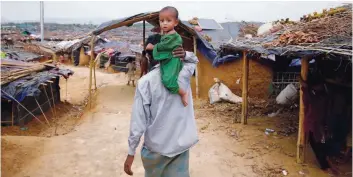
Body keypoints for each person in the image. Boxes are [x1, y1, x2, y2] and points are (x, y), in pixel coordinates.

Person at [124, 48, 199, 177]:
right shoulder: (184, 75)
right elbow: (193, 60)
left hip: (155, 149)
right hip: (179, 147)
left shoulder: (145, 82)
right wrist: (186, 54)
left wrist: (131, 152)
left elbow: (138, 121)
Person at [299, 74, 339, 175]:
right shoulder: (318, 95)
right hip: (316, 124)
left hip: (319, 124)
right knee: (317, 143)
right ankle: (325, 164)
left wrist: (304, 85)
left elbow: (307, 93)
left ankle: (325, 164)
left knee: (319, 144)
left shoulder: (319, 96)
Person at [151, 6, 188, 107]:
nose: (164, 23)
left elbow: (164, 47)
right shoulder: (166, 34)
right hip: (167, 60)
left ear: (176, 22)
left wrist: (154, 47)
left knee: (168, 81)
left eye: (168, 20)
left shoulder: (173, 36)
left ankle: (183, 93)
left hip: (172, 60)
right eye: (162, 21)